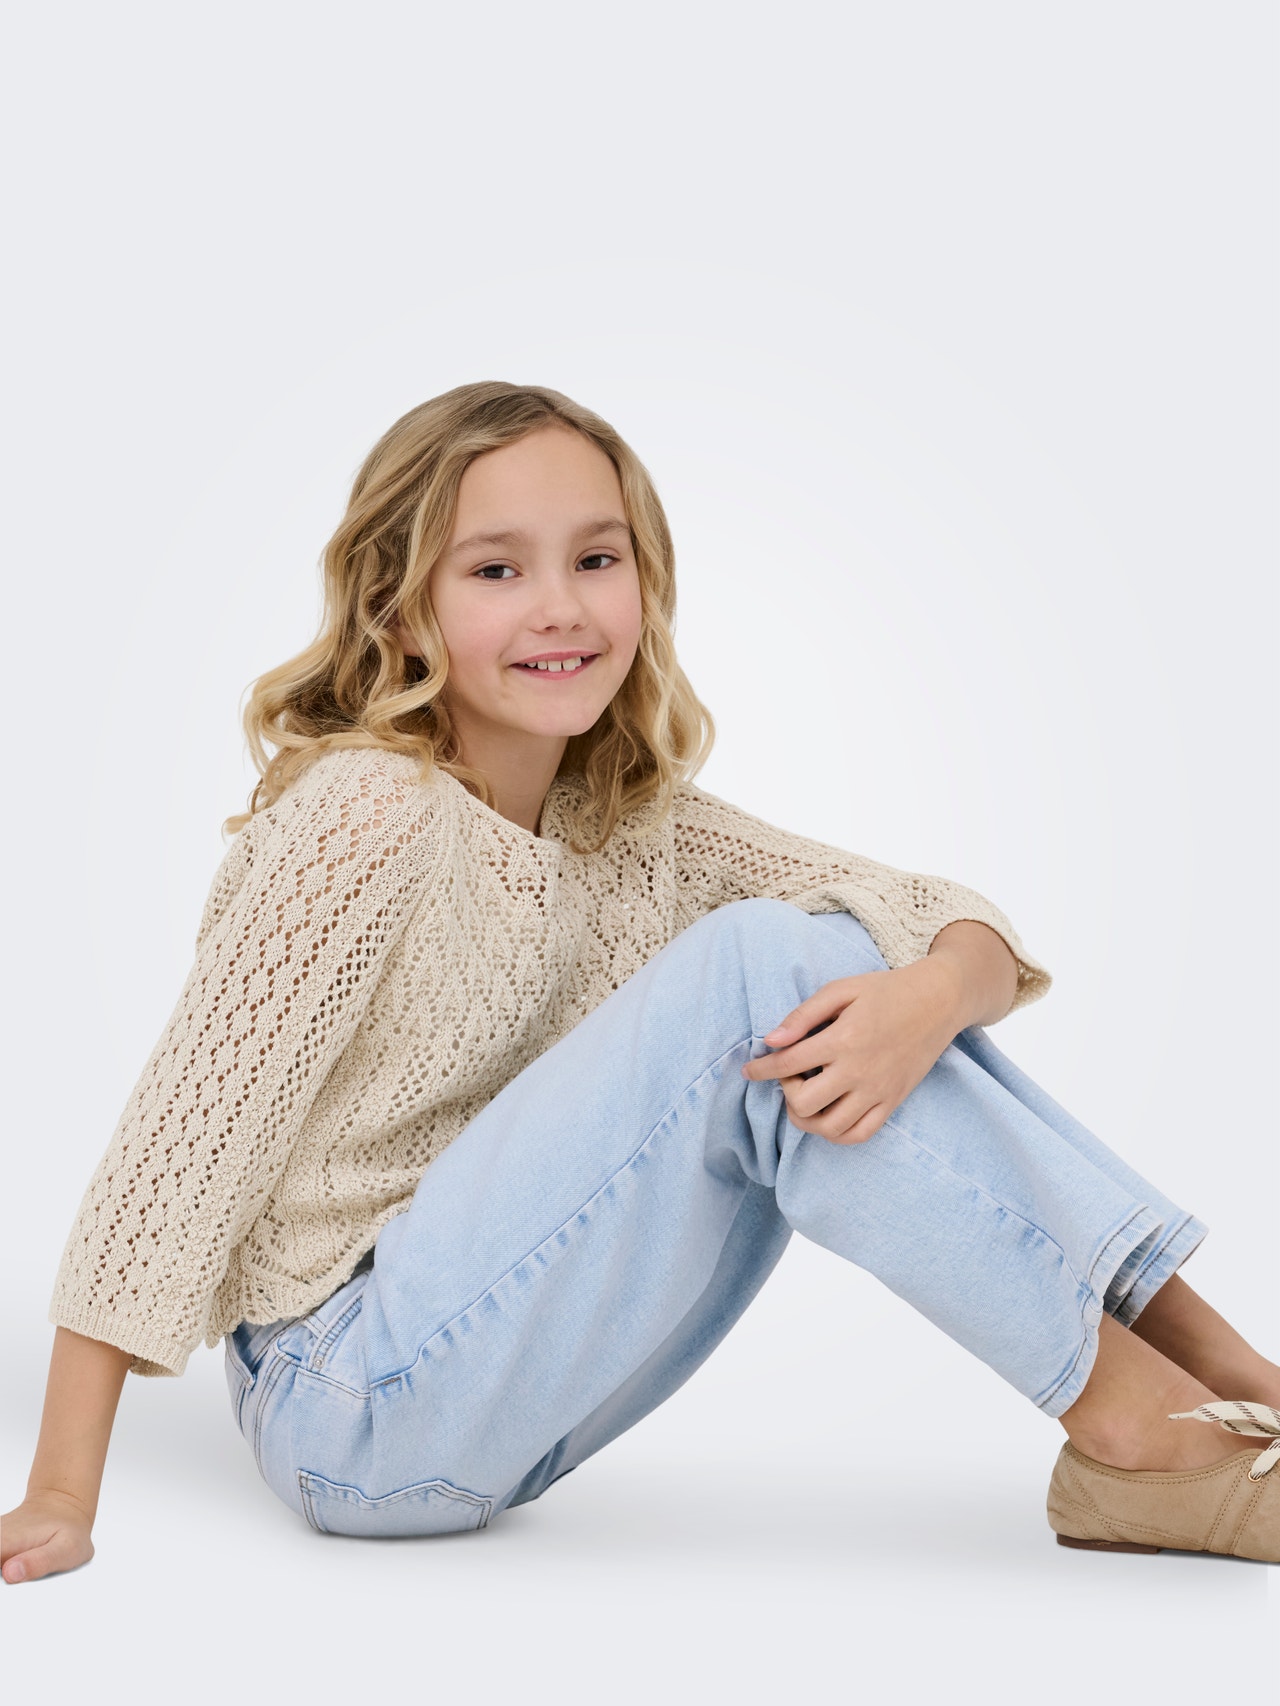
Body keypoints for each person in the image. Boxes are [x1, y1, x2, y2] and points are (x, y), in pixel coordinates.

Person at [4, 381, 1277, 1584]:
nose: (558, 606)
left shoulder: (629, 821)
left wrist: (929, 998)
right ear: (398, 609)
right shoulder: (365, 812)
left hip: (504, 1386)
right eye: (496, 569)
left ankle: (1225, 1386)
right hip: (347, 1403)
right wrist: (62, 1493)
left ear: (645, 582)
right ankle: (1145, 1434)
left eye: (595, 559)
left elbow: (940, 914)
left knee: (833, 961)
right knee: (764, 964)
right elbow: (173, 1162)